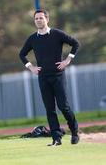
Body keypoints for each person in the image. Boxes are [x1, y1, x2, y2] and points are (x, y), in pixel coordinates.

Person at [19, 9, 80, 146]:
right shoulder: (32, 38)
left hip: (58, 76)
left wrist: (67, 60)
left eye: (41, 18)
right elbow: (22, 54)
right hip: (43, 78)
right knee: (49, 109)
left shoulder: (57, 34)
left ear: (47, 19)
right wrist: (31, 67)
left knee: (63, 106)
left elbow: (76, 44)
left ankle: (75, 131)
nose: (38, 20)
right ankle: (56, 138)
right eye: (36, 19)